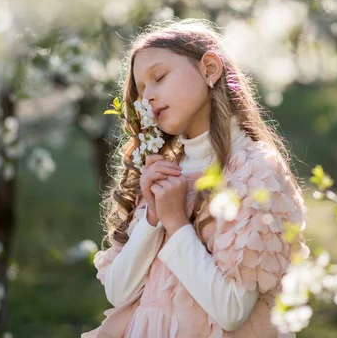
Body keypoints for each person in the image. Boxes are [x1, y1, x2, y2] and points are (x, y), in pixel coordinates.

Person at [81, 19, 308, 338]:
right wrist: (153, 219)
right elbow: (118, 293)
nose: (148, 98)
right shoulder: (164, 170)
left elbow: (231, 312)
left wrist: (176, 223)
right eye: (141, 89)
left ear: (209, 69)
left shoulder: (255, 172)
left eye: (159, 77)